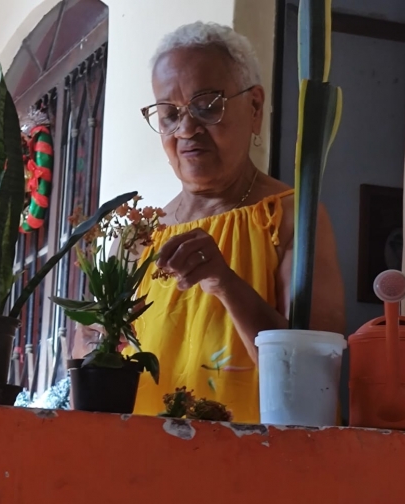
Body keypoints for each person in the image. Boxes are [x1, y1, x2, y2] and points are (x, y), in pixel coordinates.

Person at [75, 21, 345, 423]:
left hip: (253, 453)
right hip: (140, 452)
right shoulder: (138, 236)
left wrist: (225, 283)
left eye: (207, 106)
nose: (186, 129)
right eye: (169, 114)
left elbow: (313, 383)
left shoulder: (291, 217)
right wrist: (90, 343)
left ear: (255, 107)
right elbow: (93, 372)